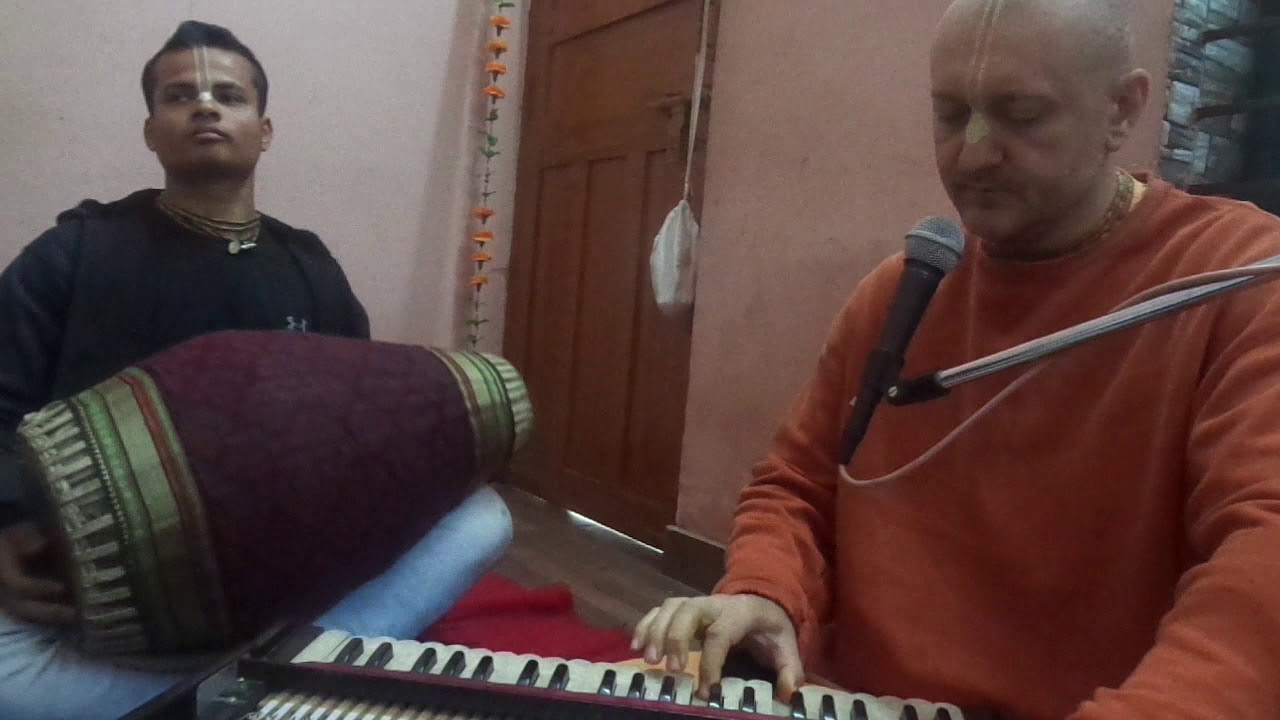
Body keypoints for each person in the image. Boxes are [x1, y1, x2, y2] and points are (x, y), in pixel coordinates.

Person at [632, 1, 1280, 718]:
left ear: (1121, 110)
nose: (972, 154)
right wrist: (764, 590)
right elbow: (797, 486)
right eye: (950, 115)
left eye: (1021, 115)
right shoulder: (902, 294)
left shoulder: (1237, 284)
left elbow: (1263, 562)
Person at [0, 21, 512, 720]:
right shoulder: (73, 254)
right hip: (102, 587)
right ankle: (284, 679)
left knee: (482, 518)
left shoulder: (309, 268)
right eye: (180, 95)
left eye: (228, 95)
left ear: (263, 129)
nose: (206, 106)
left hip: (276, 568)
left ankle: (225, 688)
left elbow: (365, 425)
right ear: (151, 131)